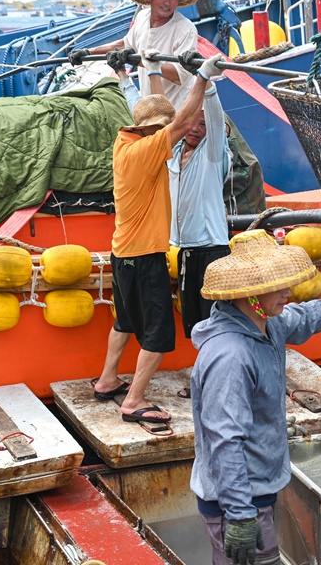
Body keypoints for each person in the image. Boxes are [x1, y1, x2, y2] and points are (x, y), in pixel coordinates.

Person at [189, 229, 321, 564]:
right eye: (278, 286)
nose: (288, 292)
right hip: (236, 502)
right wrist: (239, 515)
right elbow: (225, 439)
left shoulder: (265, 322)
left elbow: (306, 318)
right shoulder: (231, 356)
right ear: (250, 294)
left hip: (256, 492)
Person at [92, 53, 224, 424]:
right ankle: (134, 401)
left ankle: (107, 380)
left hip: (123, 254)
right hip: (146, 257)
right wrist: (202, 78)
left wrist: (125, 75)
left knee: (125, 322)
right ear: (154, 131)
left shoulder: (126, 143)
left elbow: (146, 109)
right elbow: (182, 123)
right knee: (159, 334)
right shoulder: (149, 151)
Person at [68, 0, 199, 109]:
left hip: (177, 109)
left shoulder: (185, 29)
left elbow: (180, 75)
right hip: (149, 107)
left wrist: (140, 61)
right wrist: (89, 52)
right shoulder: (142, 17)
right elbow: (126, 43)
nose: (167, 3)